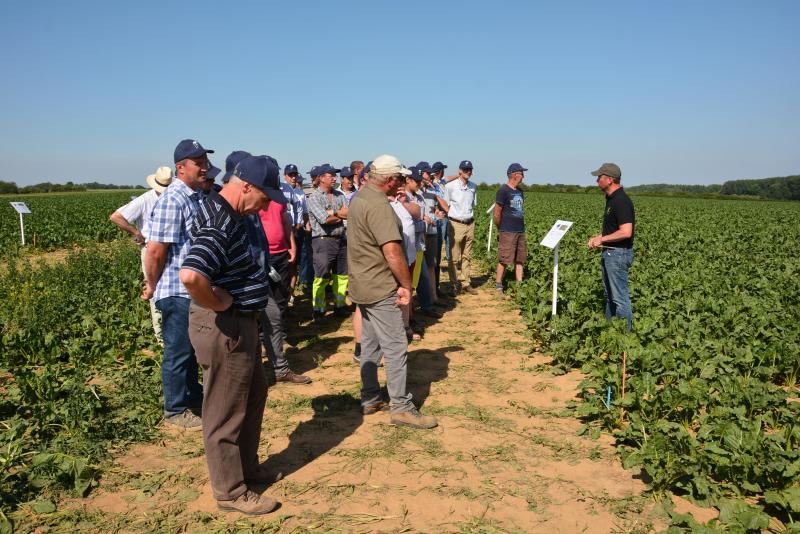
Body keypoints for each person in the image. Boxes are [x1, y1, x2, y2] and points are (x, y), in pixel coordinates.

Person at [179, 155, 285, 515]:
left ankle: (246, 469)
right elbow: (192, 275)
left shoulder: (232, 213)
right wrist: (218, 303)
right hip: (225, 326)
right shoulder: (219, 220)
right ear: (246, 187)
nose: (268, 204)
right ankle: (230, 491)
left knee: (253, 393)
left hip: (242, 323)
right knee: (225, 409)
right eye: (265, 196)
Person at [347, 154, 437, 429]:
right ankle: (401, 407)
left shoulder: (360, 199)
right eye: (399, 178)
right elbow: (392, 251)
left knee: (371, 343)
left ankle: (371, 396)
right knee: (397, 344)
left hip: (362, 285)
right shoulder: (379, 206)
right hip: (380, 285)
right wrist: (406, 286)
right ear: (387, 180)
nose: (402, 182)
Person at [142, 139, 213, 430]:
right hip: (176, 289)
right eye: (199, 163)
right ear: (181, 168)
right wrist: (151, 284)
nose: (205, 168)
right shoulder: (173, 199)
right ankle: (174, 409)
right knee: (178, 350)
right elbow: (156, 250)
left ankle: (192, 396)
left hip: (191, 288)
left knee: (191, 349)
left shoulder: (193, 196)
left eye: (205, 162)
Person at [110, 165, 173, 343]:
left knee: (171, 289)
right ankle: (161, 336)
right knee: (154, 289)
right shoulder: (145, 199)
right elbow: (116, 216)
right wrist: (136, 232)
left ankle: (171, 331)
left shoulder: (174, 198)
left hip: (170, 248)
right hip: (151, 250)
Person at [258, 178, 310, 384]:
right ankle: (269, 355)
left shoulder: (278, 197)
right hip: (261, 259)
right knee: (264, 313)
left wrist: (292, 245)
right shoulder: (250, 203)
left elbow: (286, 221)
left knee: (278, 306)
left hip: (279, 256)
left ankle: (277, 361)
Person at [587, 163, 635, 331]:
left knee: (619, 299)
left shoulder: (621, 200)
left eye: (599, 177)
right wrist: (600, 238)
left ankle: (625, 338)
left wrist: (602, 240)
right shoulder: (612, 199)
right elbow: (616, 230)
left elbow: (626, 232)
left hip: (618, 254)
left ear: (610, 179)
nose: (596, 181)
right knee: (610, 297)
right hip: (611, 253)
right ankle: (610, 334)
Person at [306, 163, 350, 321]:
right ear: (321, 178)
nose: (334, 178)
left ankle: (340, 305)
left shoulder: (340, 195)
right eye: (331, 175)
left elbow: (349, 214)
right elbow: (325, 219)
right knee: (322, 276)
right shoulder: (314, 197)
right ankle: (319, 309)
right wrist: (339, 214)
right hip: (323, 241)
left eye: (334, 175)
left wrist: (334, 213)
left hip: (341, 239)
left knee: (342, 275)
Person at [443, 160, 478, 294]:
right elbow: (446, 205)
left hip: (470, 223)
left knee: (467, 256)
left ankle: (466, 282)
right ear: (460, 171)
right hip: (455, 224)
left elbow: (473, 205)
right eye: (465, 169)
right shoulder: (450, 186)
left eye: (469, 169)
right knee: (454, 257)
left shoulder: (474, 187)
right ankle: (453, 284)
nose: (468, 171)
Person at [494, 163, 528, 295]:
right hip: (507, 230)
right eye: (521, 173)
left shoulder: (520, 191)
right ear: (514, 175)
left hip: (520, 230)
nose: (523, 176)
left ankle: (519, 286)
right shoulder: (503, 191)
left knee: (520, 259)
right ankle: (498, 285)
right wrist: (501, 228)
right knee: (504, 258)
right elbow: (497, 213)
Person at [281, 164, 309, 304]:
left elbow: (302, 211)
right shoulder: (281, 189)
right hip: (282, 232)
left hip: (295, 230)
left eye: (295, 175)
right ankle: (283, 294)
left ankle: (290, 294)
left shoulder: (299, 192)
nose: (293, 177)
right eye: (290, 175)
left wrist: (299, 226)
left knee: (294, 264)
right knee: (283, 264)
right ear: (284, 176)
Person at [430, 161, 450, 293]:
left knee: (440, 249)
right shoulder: (433, 184)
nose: (444, 172)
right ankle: (434, 287)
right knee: (435, 254)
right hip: (438, 218)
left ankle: (435, 287)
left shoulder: (442, 181)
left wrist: (460, 174)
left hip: (443, 217)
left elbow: (450, 178)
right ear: (439, 171)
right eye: (443, 169)